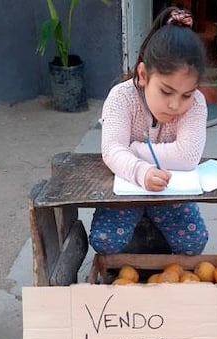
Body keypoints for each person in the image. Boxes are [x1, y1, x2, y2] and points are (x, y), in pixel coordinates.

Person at [89, 7, 209, 256]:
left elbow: (187, 158)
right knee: (104, 241)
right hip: (126, 184)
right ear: (144, 75)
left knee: (194, 242)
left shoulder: (196, 103)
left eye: (186, 94)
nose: (176, 105)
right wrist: (141, 171)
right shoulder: (121, 97)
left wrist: (134, 150)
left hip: (169, 188)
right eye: (166, 91)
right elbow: (111, 150)